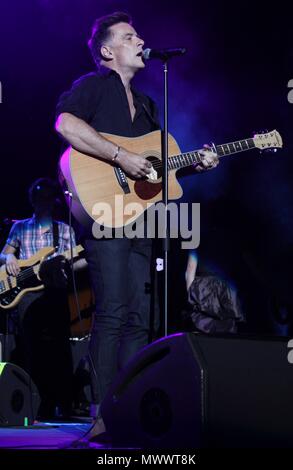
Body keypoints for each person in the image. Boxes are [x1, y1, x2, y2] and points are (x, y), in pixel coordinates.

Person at [55, 12, 219, 424]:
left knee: (138, 313)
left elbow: (157, 169)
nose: (140, 40)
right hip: (104, 212)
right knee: (111, 311)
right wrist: (120, 156)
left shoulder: (146, 103)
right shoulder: (92, 86)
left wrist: (196, 164)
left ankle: (125, 405)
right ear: (107, 51)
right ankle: (100, 414)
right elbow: (66, 123)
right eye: (130, 36)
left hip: (140, 217)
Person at [0, 177, 76, 419]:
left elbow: (76, 260)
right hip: (26, 296)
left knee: (60, 347)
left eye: (46, 198)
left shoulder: (64, 229)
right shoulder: (20, 227)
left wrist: (66, 265)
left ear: (53, 201)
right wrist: (8, 258)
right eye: (37, 198)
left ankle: (63, 402)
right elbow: (5, 253)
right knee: (31, 349)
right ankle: (34, 401)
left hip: (55, 291)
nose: (41, 202)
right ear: (32, 200)